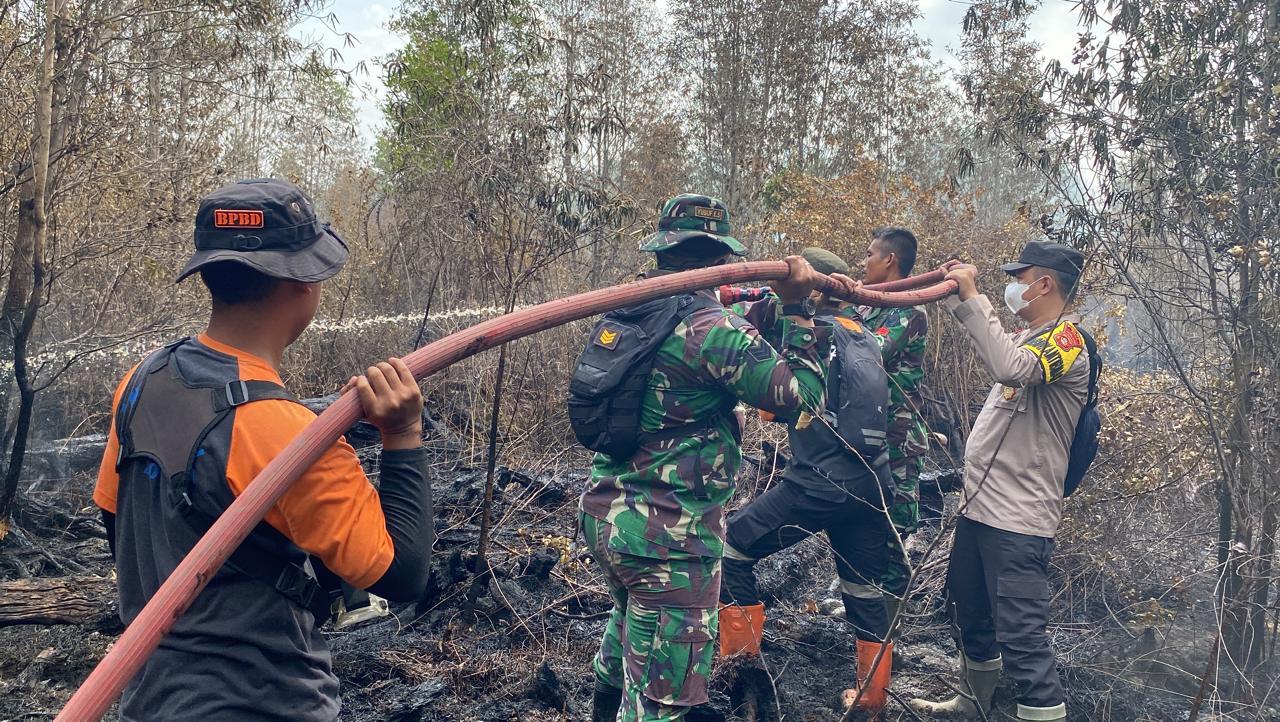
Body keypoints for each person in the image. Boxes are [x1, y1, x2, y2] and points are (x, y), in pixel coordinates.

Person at [93, 178, 434, 721]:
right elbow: (403, 576)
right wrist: (402, 434)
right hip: (267, 702)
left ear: (207, 273)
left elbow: (118, 524)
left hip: (153, 698)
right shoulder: (287, 434)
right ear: (304, 281)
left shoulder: (141, 381)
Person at [575, 194, 828, 722]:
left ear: (665, 252)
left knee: (626, 639)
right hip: (670, 541)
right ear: (720, 259)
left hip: (610, 521)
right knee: (664, 702)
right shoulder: (714, 330)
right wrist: (800, 312)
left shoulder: (635, 309)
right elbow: (802, 399)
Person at [909, 241, 1089, 722]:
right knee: (970, 612)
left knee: (1022, 638)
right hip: (980, 509)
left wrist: (974, 298)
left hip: (1018, 521)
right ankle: (971, 705)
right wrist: (953, 295)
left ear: (1044, 284)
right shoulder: (1031, 337)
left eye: (1020, 276)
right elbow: (1001, 351)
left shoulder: (1067, 341)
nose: (1013, 286)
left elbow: (1010, 367)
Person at [719, 247, 897, 715]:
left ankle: (741, 672)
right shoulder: (865, 335)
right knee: (863, 587)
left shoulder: (814, 332)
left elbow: (784, 403)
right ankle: (872, 697)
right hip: (870, 485)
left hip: (820, 483)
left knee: (730, 549)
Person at [858, 227, 930, 625]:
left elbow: (869, 349)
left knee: (892, 533)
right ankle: (869, 608)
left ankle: (888, 631)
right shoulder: (871, 304)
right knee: (867, 524)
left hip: (898, 440)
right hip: (868, 437)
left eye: (870, 254)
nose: (864, 262)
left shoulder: (909, 309)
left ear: (890, 260)